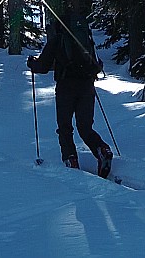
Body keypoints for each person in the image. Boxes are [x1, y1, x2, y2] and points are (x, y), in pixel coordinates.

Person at [26, 12, 113, 178]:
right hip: (87, 86)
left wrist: (32, 64)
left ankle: (70, 159)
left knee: (65, 127)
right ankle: (102, 149)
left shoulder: (57, 40)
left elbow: (43, 67)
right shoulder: (86, 39)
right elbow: (96, 64)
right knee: (85, 127)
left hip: (66, 87)